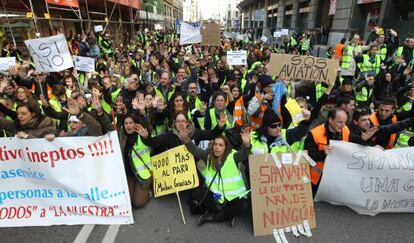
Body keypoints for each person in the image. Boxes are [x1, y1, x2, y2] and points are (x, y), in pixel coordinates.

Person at [179, 126, 251, 227]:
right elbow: (194, 150)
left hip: (233, 197)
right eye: (215, 144)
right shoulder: (208, 156)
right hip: (217, 196)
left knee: (244, 205)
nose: (217, 147)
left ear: (226, 147)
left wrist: (247, 145)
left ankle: (213, 216)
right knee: (199, 193)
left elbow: (244, 154)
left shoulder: (233, 156)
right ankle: (227, 214)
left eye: (220, 145)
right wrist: (186, 139)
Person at [304, 108, 350, 196]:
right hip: (317, 178)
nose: (343, 125)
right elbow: (308, 156)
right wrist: (323, 153)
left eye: (345, 122)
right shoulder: (314, 134)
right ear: (330, 120)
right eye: (340, 122)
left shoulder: (346, 130)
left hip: (335, 176)